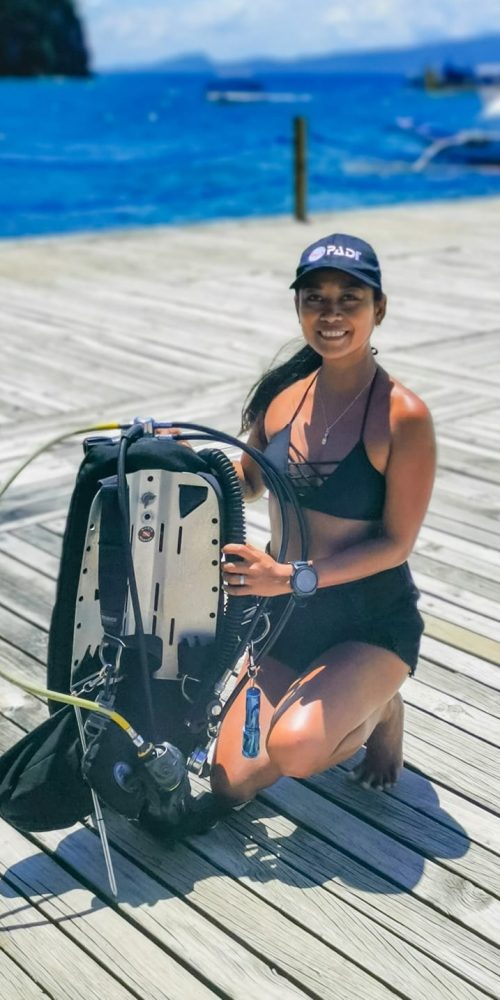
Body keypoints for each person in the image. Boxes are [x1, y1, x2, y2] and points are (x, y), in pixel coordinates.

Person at [210, 232, 436, 808]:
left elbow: (396, 544)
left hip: (368, 622)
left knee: (296, 749)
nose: (331, 313)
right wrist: (181, 462)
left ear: (378, 309)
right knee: (231, 781)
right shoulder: (283, 397)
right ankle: (333, 693)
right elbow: (249, 479)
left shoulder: (402, 417)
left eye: (349, 298)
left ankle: (382, 708)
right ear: (298, 307)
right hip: (286, 621)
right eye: (315, 298)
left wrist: (288, 576)